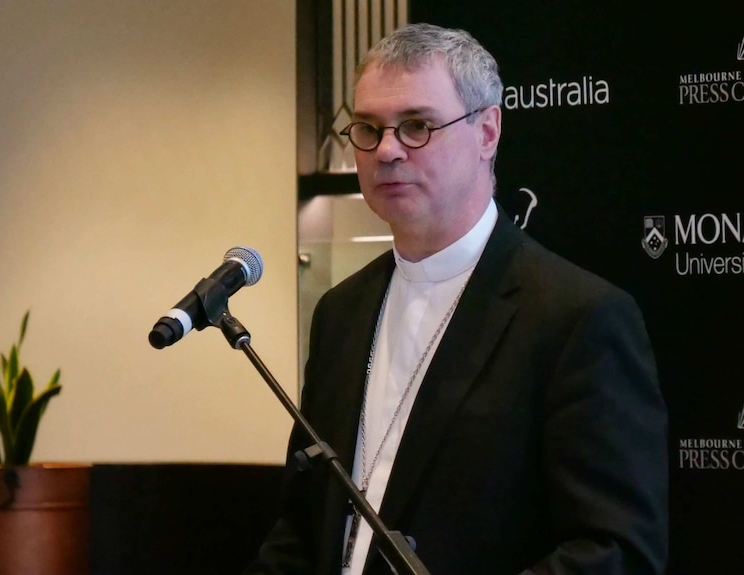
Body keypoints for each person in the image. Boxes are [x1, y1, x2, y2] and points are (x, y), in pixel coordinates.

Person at [244, 22, 668, 575]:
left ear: (488, 131)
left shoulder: (576, 318)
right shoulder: (340, 312)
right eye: (368, 128)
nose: (387, 150)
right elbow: (302, 526)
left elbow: (615, 552)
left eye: (417, 125)